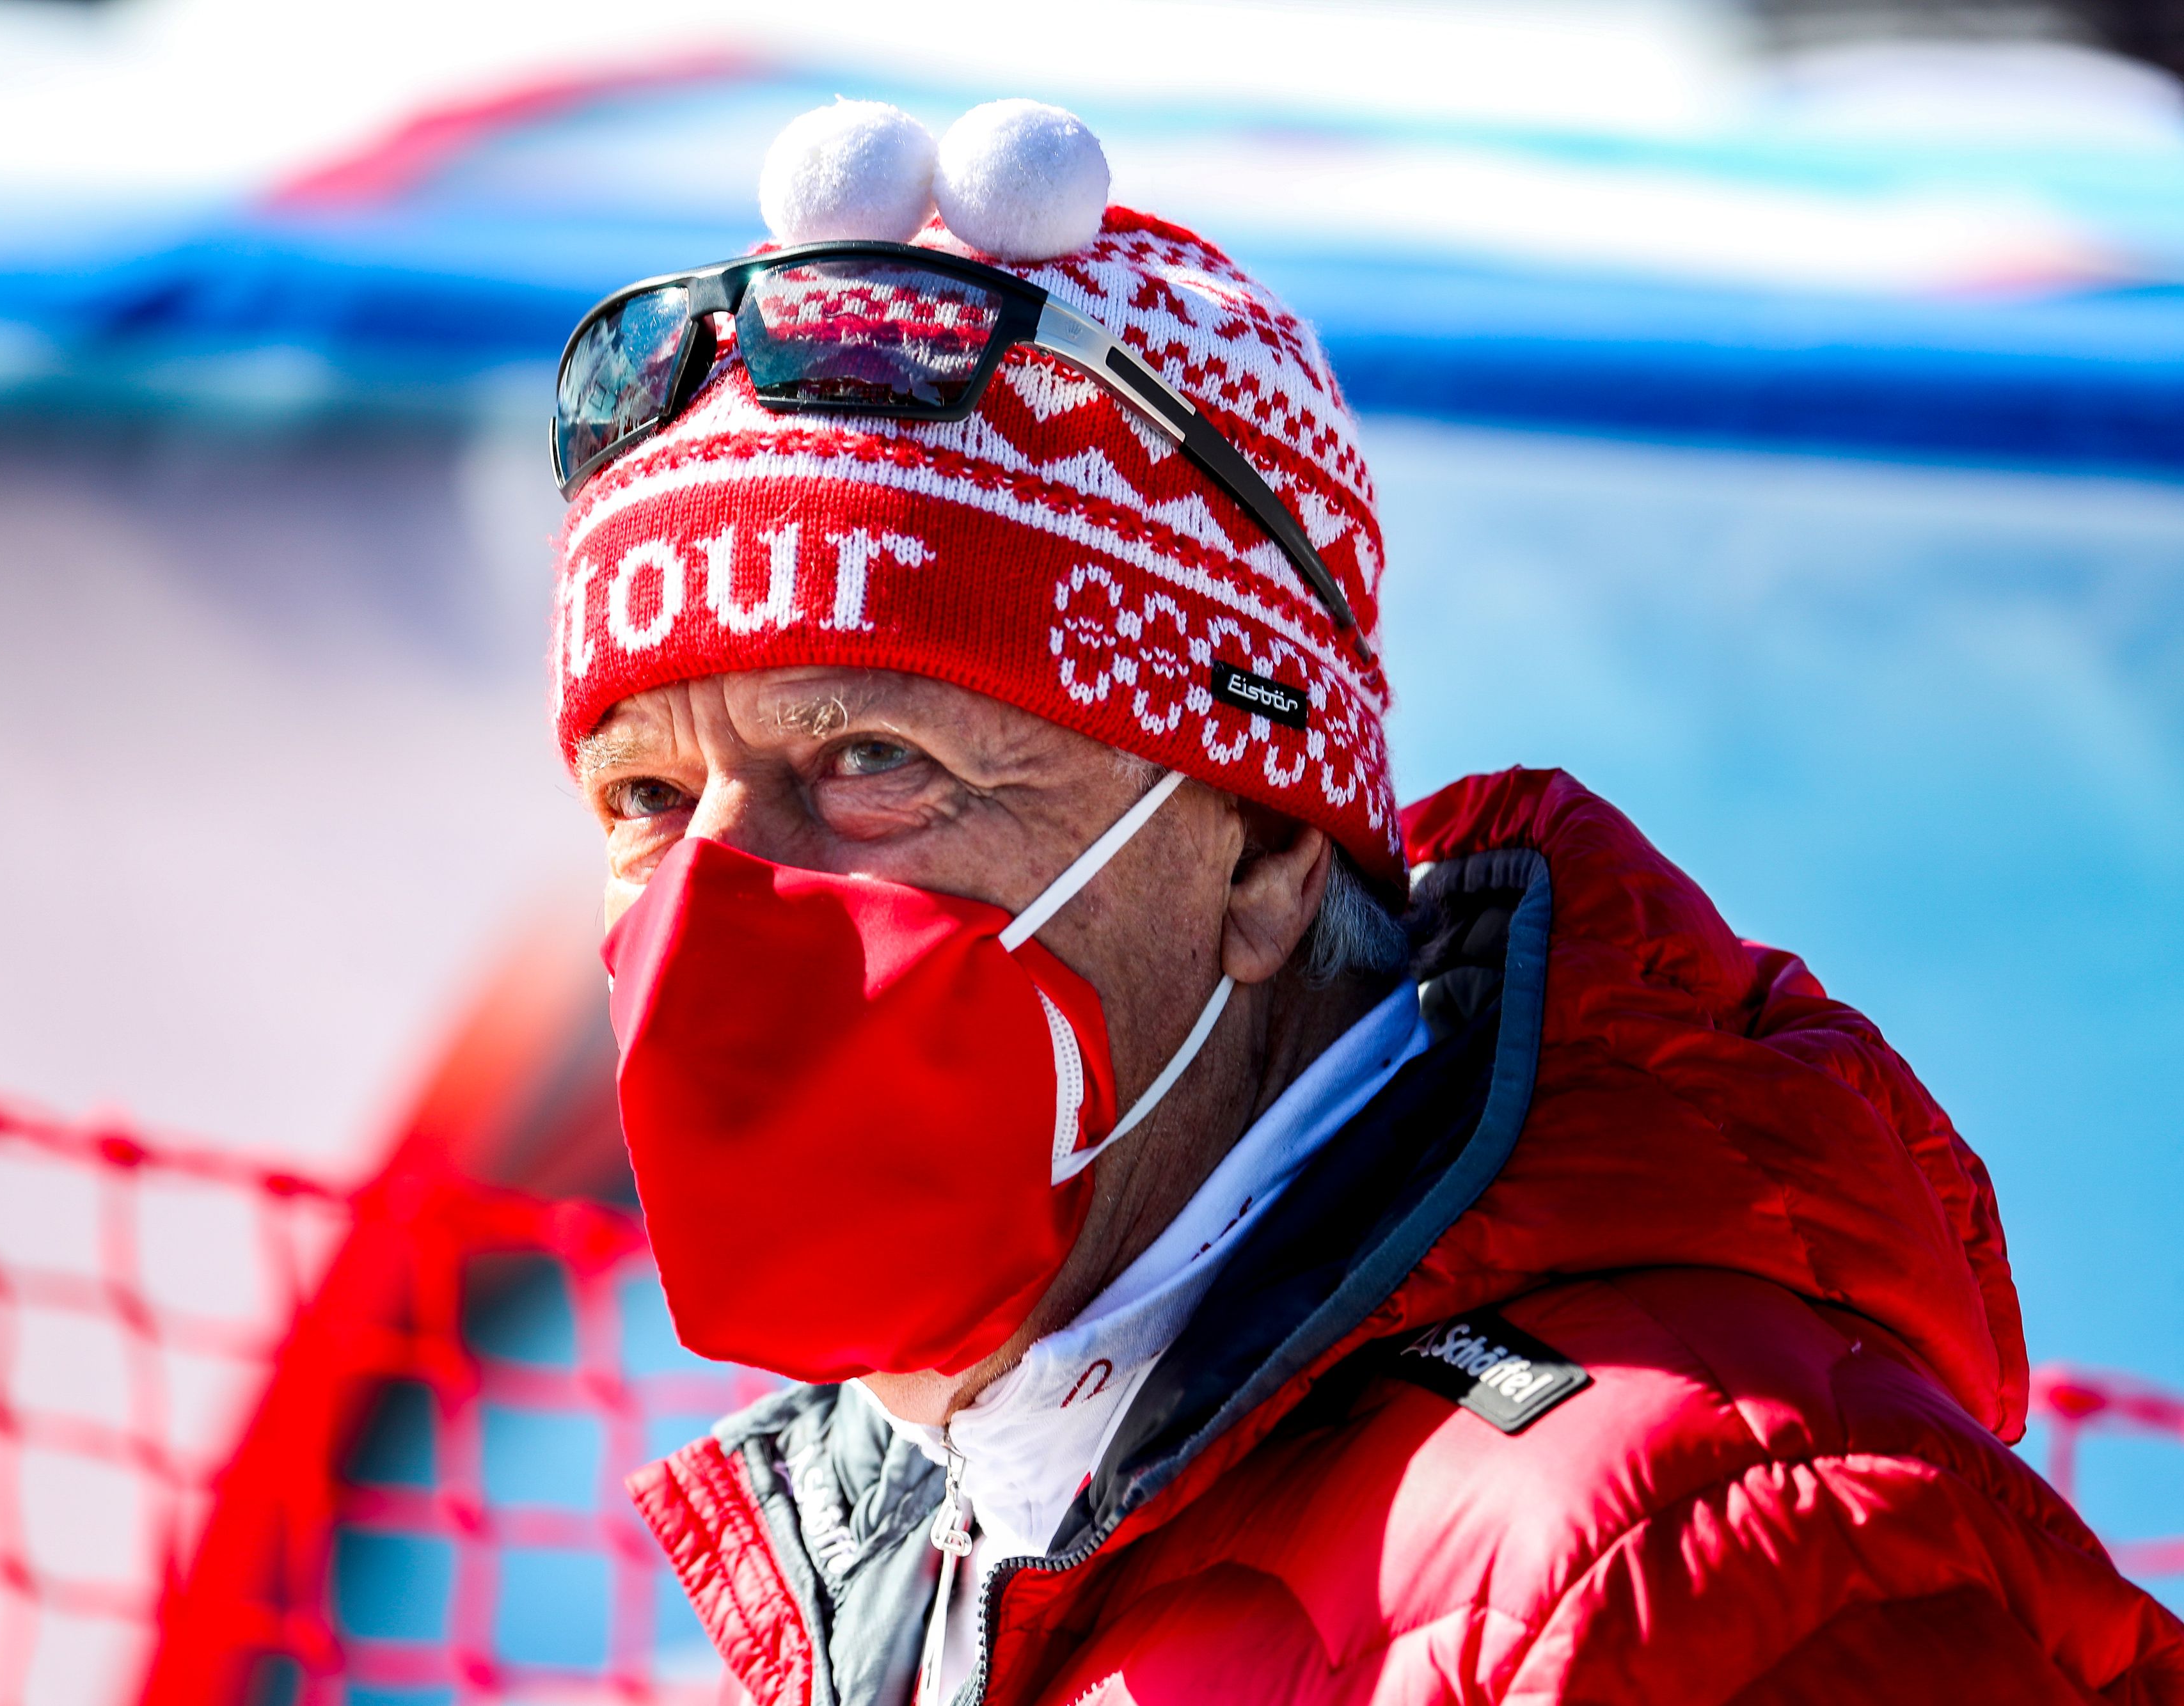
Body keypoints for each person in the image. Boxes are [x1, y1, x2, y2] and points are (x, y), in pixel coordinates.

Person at [548, 97, 2184, 1703]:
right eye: (646, 795)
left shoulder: (1686, 1572)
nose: (717, 892)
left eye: (871, 759)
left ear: (1262, 851)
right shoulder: (944, 1516)